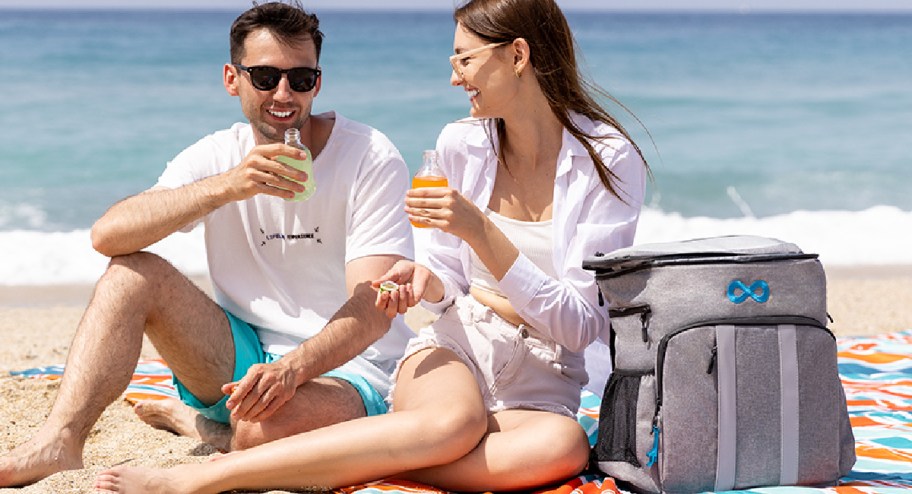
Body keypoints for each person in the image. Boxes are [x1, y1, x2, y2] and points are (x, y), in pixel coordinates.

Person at [91, 0, 650, 491]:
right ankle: (205, 477)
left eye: (465, 58)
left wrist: (482, 231)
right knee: (451, 426)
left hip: (545, 371)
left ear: (518, 56)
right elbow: (448, 285)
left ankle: (298, 448)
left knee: (563, 449)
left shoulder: (607, 159)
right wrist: (423, 285)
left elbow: (582, 325)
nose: (455, 78)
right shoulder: (462, 143)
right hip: (459, 344)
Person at [0, 0, 415, 488]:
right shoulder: (220, 155)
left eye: (300, 79)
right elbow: (108, 236)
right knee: (132, 272)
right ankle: (60, 441)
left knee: (262, 431)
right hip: (240, 358)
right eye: (264, 77)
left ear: (317, 83)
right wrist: (229, 186)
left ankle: (204, 426)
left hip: (349, 368)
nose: (284, 94)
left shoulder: (369, 155)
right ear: (231, 79)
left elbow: (373, 306)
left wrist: (291, 368)